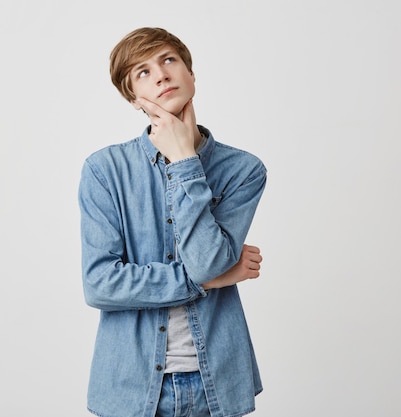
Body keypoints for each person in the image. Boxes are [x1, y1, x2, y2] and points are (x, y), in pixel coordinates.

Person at [78, 27, 267, 417]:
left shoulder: (243, 171)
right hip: (129, 387)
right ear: (133, 99)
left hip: (218, 381)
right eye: (142, 72)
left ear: (190, 74)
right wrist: (205, 280)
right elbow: (100, 285)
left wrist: (185, 161)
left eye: (168, 60)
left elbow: (205, 261)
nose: (161, 74)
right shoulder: (105, 170)